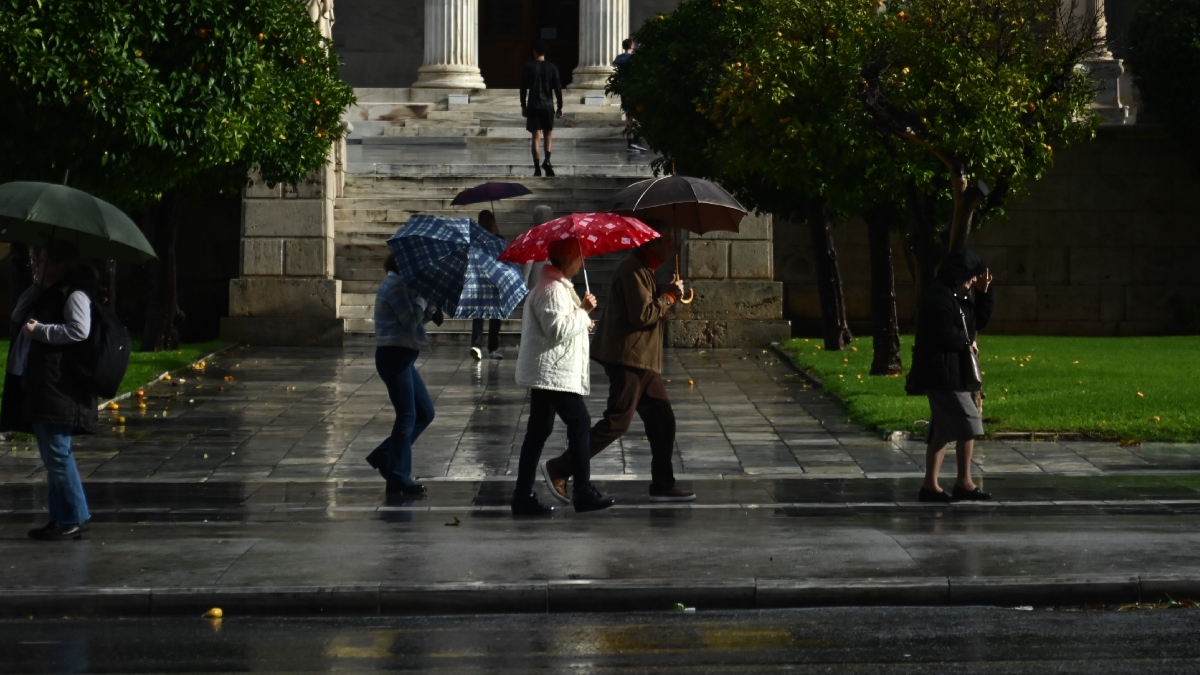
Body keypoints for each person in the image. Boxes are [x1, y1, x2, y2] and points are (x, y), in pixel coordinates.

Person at [542, 229, 696, 503]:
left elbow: (651, 309)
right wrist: (669, 297)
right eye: (669, 241)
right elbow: (642, 315)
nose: (673, 248)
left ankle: (663, 483)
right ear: (655, 243)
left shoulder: (645, 269)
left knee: (663, 421)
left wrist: (670, 294)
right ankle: (560, 467)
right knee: (617, 422)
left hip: (644, 361)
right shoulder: (633, 269)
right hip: (629, 358)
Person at [1, 241, 96, 541]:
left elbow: (80, 330)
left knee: (57, 453)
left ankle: (75, 516)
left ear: (59, 264)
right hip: (40, 382)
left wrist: (39, 330)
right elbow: (17, 316)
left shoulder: (74, 293)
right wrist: (34, 290)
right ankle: (59, 517)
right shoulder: (46, 292)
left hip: (58, 385)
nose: (36, 266)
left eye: (41, 261)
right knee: (51, 454)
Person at [512, 238, 615, 515]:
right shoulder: (552, 290)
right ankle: (583, 491)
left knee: (538, 431)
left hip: (548, 370)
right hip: (552, 371)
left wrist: (582, 318)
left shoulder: (556, 287)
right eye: (580, 256)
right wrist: (583, 312)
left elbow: (561, 325)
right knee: (579, 422)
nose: (583, 262)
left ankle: (522, 495)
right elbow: (556, 329)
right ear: (569, 258)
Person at [908, 247, 995, 503]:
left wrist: (984, 294)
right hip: (941, 371)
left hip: (953, 371)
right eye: (971, 276)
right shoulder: (939, 296)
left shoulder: (960, 294)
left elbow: (978, 322)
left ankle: (939, 485)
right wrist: (967, 343)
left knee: (944, 429)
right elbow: (942, 331)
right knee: (968, 422)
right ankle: (959, 482)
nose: (972, 281)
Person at [365, 256, 441, 496]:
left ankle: (386, 455)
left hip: (403, 356)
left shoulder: (402, 284)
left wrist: (430, 308)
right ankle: (398, 477)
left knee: (425, 412)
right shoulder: (395, 286)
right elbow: (409, 321)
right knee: (407, 414)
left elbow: (415, 321)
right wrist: (421, 301)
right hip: (393, 356)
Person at [520, 39, 563, 177]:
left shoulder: (528, 67)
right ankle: (548, 160)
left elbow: (523, 88)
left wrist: (523, 105)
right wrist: (560, 105)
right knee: (548, 134)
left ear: (535, 51)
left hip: (533, 105)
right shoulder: (552, 67)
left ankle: (537, 167)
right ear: (545, 52)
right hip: (547, 105)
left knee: (535, 137)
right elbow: (557, 88)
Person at [470, 209, 505, 360]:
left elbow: (504, 255)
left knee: (495, 316)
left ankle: (492, 347)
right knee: (478, 315)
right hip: (480, 279)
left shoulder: (498, 239)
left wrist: (497, 237)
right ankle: (476, 346)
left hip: (495, 279)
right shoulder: (476, 240)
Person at [612, 39, 648, 153]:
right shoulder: (634, 59)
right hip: (634, 89)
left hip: (624, 89)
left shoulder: (619, 58)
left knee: (628, 115)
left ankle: (630, 143)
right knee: (637, 115)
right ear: (632, 46)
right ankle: (636, 142)